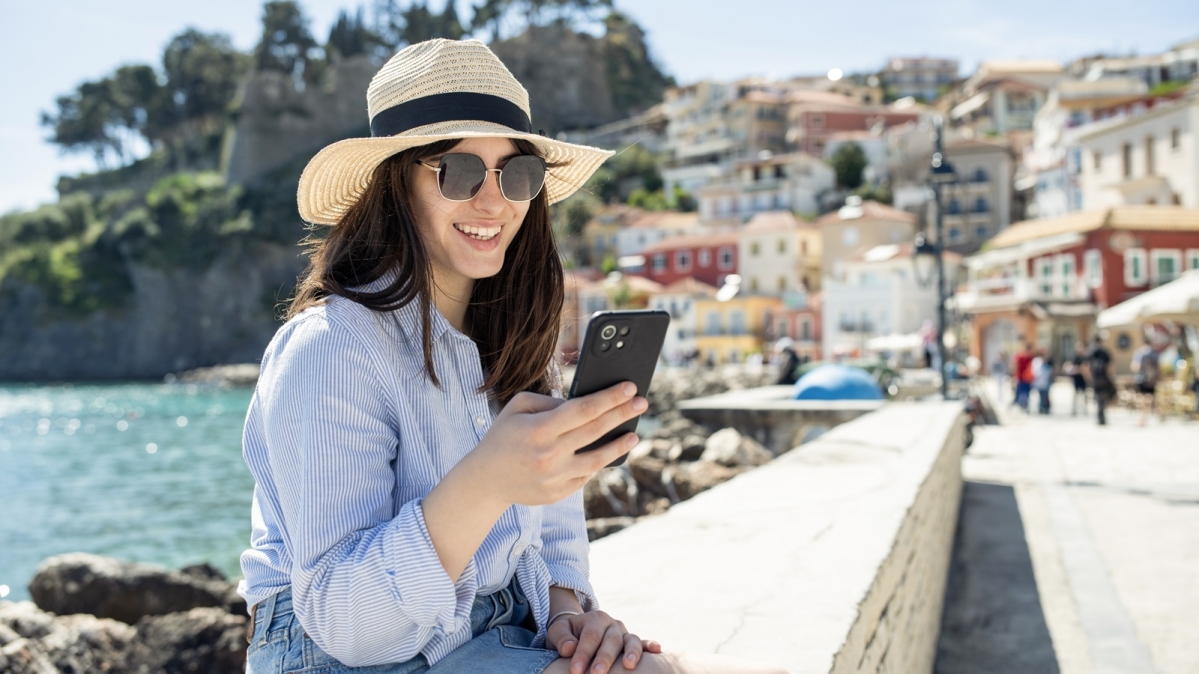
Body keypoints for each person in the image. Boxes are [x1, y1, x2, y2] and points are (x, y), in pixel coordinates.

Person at [237, 40, 783, 674]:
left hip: (494, 632)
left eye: (517, 174)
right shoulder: (330, 347)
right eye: (459, 171)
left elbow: (549, 526)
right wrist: (488, 480)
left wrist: (568, 613)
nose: (494, 202)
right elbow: (347, 626)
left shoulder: (512, 339)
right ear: (396, 184)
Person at [1131, 334, 1160, 426]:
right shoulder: (1154, 353)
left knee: (1141, 398)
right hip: (1151, 379)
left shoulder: (1139, 352)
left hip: (1141, 378)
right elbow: (1158, 368)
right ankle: (1151, 415)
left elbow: (1135, 367)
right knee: (1150, 397)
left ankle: (1142, 417)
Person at [1087, 334, 1116, 426]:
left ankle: (1100, 416)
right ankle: (1101, 417)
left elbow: (1087, 366)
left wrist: (1089, 377)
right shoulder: (1104, 352)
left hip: (1096, 378)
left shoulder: (1091, 351)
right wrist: (1109, 376)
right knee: (1103, 397)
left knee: (1098, 397)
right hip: (1103, 378)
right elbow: (1110, 366)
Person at [1065, 341, 1089, 416]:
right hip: (1076, 378)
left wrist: (1080, 369)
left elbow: (1085, 368)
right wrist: (1078, 369)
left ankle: (1084, 409)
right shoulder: (1074, 357)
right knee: (1075, 395)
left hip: (1083, 379)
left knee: (1084, 395)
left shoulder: (1085, 357)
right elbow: (1069, 366)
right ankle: (1074, 409)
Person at [1012, 342, 1034, 412]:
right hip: (1021, 378)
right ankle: (1022, 405)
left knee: (1025, 392)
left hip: (1027, 378)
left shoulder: (1030, 358)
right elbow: (1016, 367)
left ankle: (1024, 405)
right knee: (1022, 392)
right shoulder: (1021, 357)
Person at [1031, 348, 1053, 415]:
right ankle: (1042, 407)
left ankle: (1045, 407)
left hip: (1046, 381)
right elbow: (1037, 372)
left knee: (1045, 395)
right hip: (1040, 381)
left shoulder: (1048, 360)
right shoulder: (1037, 361)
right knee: (1042, 395)